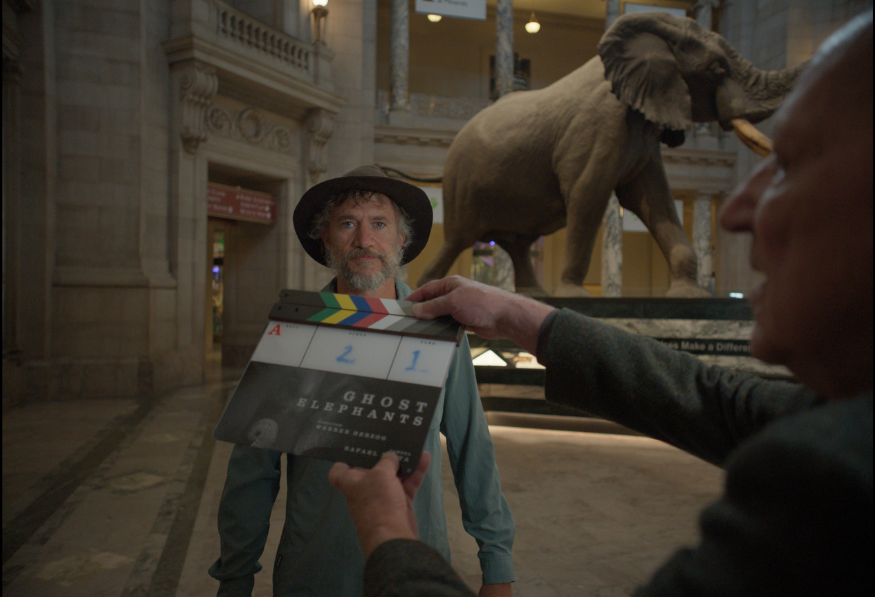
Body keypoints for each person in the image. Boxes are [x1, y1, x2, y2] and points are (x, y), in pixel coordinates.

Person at [329, 12, 873, 597]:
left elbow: (471, 449)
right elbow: (726, 403)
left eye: (789, 165)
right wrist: (528, 317)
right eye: (348, 224)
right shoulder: (839, 425)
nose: (739, 210)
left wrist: (388, 534)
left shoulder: (830, 479)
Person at [209, 165, 516, 597]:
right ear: (325, 237)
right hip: (315, 574)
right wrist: (235, 577)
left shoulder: (436, 330)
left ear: (401, 239)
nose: (364, 240)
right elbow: (253, 472)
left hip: (416, 569)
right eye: (348, 223)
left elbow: (473, 447)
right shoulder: (292, 333)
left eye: (378, 224)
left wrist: (496, 562)